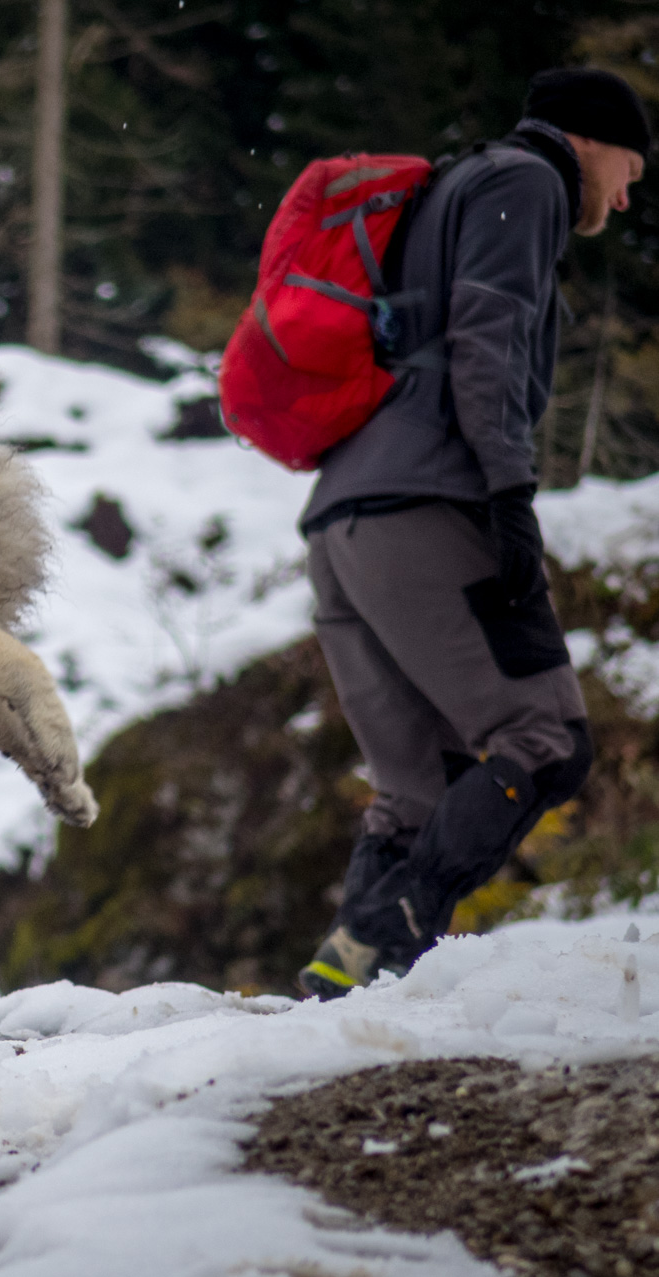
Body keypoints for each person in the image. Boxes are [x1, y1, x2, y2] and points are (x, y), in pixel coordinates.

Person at [296, 67, 648, 1000]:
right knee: (546, 737)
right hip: (428, 503)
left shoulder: (452, 185)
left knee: (418, 788)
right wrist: (510, 495)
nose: (635, 182)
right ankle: (398, 927)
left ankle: (350, 973)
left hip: (343, 523)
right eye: (633, 158)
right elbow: (486, 336)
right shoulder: (529, 180)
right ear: (589, 139)